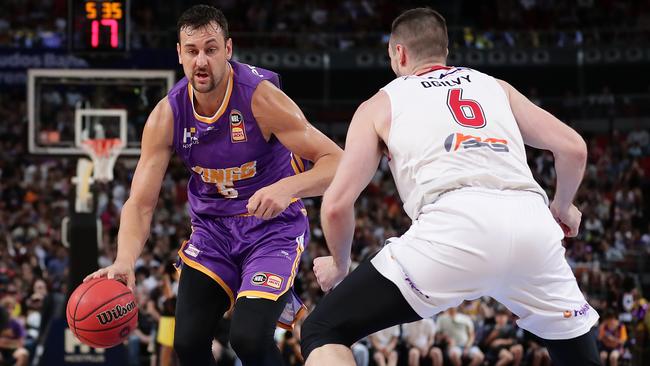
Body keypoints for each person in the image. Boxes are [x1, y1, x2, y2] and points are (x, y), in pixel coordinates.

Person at [300, 7, 601, 366]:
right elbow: (573, 148)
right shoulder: (494, 87)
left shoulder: (381, 104)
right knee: (577, 352)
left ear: (399, 53)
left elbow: (336, 204)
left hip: (453, 227)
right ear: (445, 49)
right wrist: (563, 205)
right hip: (531, 223)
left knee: (323, 329)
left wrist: (339, 263)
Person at [85, 5, 342, 365]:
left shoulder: (261, 98)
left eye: (210, 49)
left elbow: (338, 162)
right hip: (213, 232)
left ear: (228, 50)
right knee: (186, 342)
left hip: (271, 229)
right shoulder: (167, 114)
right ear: (179, 54)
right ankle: (269, 295)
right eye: (191, 51)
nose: (201, 61)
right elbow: (140, 203)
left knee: (248, 339)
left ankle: (270, 295)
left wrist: (288, 189)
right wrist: (124, 260)